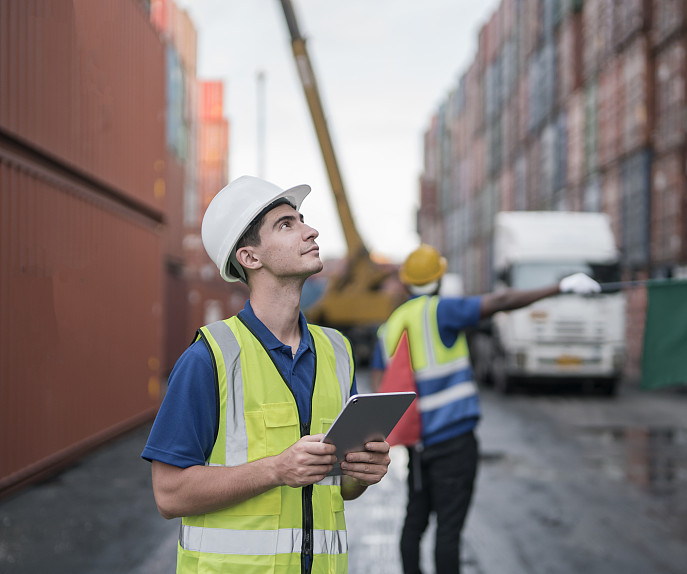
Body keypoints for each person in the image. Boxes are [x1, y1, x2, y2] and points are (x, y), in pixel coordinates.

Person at [142, 175, 391, 574]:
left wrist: (363, 474)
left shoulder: (337, 352)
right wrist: (276, 469)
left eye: (302, 220)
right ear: (250, 257)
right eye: (286, 225)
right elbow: (168, 495)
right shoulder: (209, 358)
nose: (311, 231)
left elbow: (339, 489)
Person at [370, 244, 600, 574]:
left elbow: (382, 391)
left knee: (414, 524)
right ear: (439, 278)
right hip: (454, 443)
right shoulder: (441, 311)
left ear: (406, 283)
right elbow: (501, 302)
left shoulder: (389, 327)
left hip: (419, 448)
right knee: (449, 531)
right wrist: (560, 286)